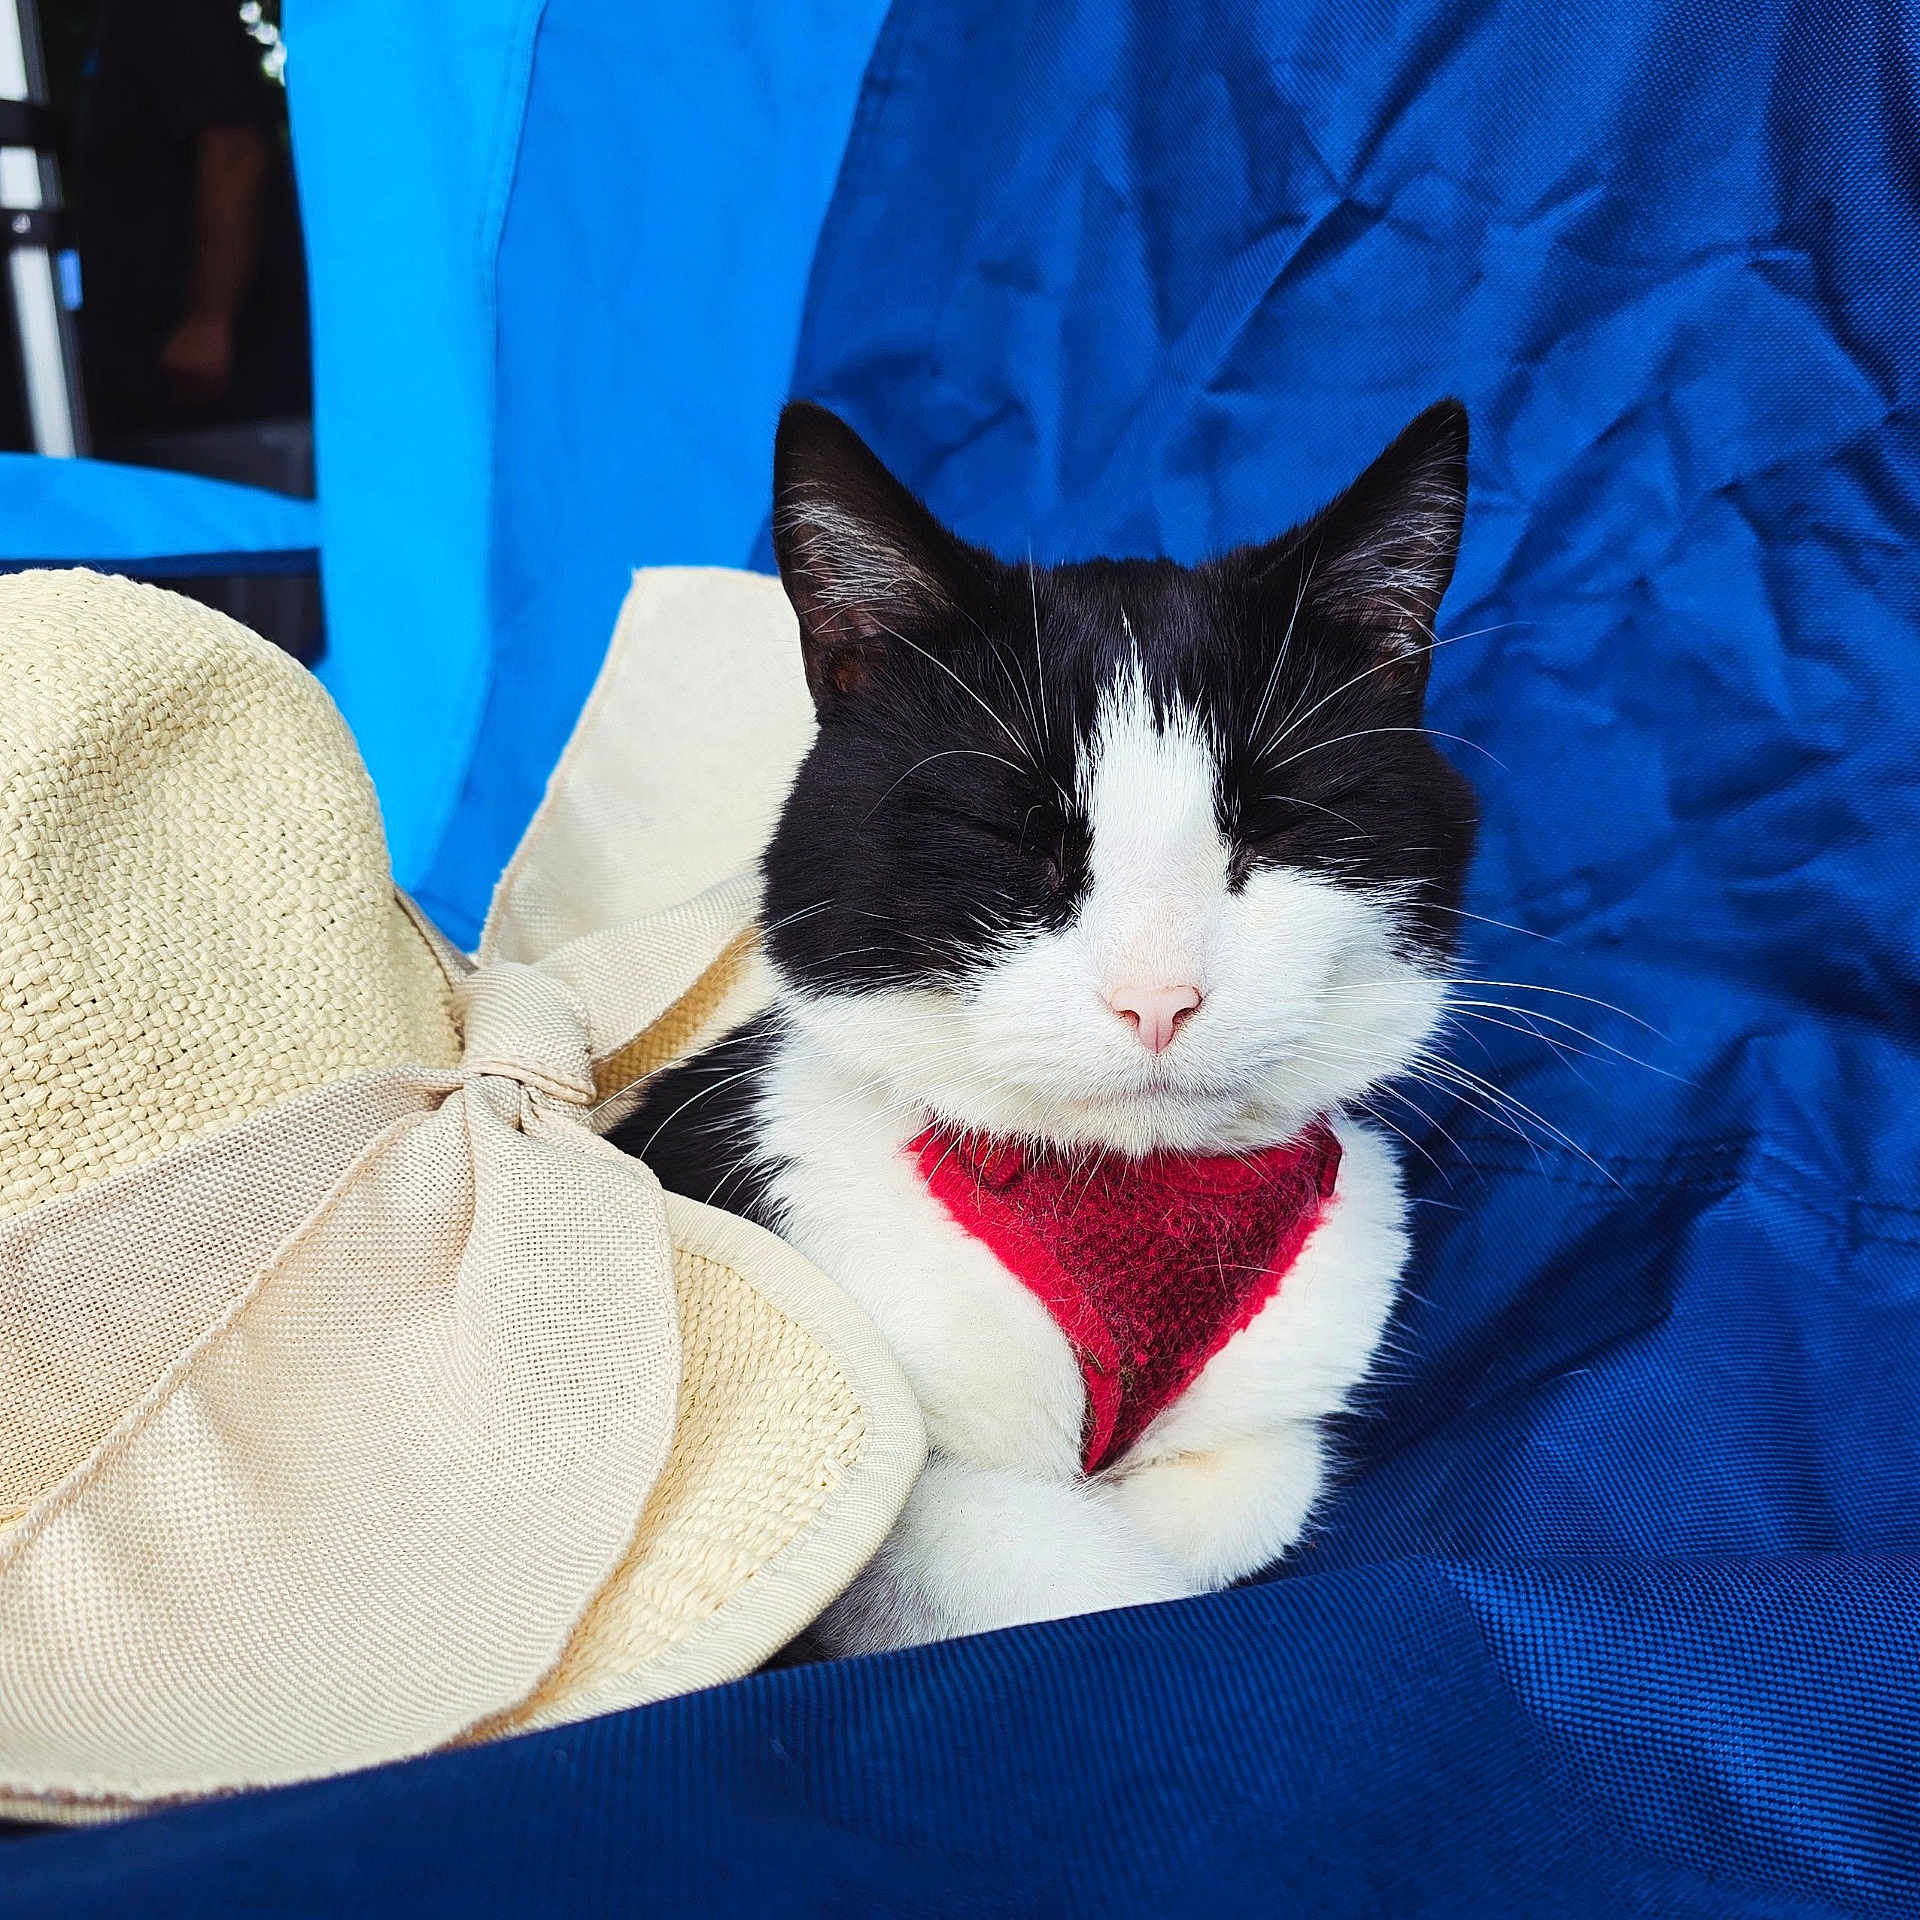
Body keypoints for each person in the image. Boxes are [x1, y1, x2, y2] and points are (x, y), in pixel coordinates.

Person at [71, 0, 310, 445]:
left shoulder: (169, 11)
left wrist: (208, 320)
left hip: (219, 386)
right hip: (165, 377)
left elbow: (235, 150)